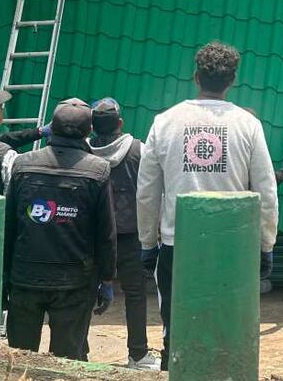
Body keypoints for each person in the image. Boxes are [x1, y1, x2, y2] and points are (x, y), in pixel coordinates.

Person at [137, 41, 279, 371]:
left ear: (196, 77)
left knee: (177, 328)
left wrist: (147, 243)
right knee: (229, 328)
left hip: (178, 245)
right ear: (232, 80)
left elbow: (147, 192)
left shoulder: (165, 122)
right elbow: (266, 190)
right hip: (233, 248)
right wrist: (266, 244)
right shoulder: (248, 125)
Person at [4, 98, 117, 360]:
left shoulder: (22, 164)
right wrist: (107, 278)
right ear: (89, 131)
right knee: (67, 360)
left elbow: (8, 225)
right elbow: (106, 233)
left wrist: (4, 274)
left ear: (50, 128)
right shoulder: (98, 170)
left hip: (25, 277)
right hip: (74, 281)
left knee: (20, 359)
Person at [88, 98, 161, 371]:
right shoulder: (139, 149)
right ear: (120, 122)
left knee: (84, 293)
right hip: (131, 235)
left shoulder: (83, 152)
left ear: (93, 126)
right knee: (135, 294)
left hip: (92, 237)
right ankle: (138, 355)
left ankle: (79, 350)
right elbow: (152, 190)